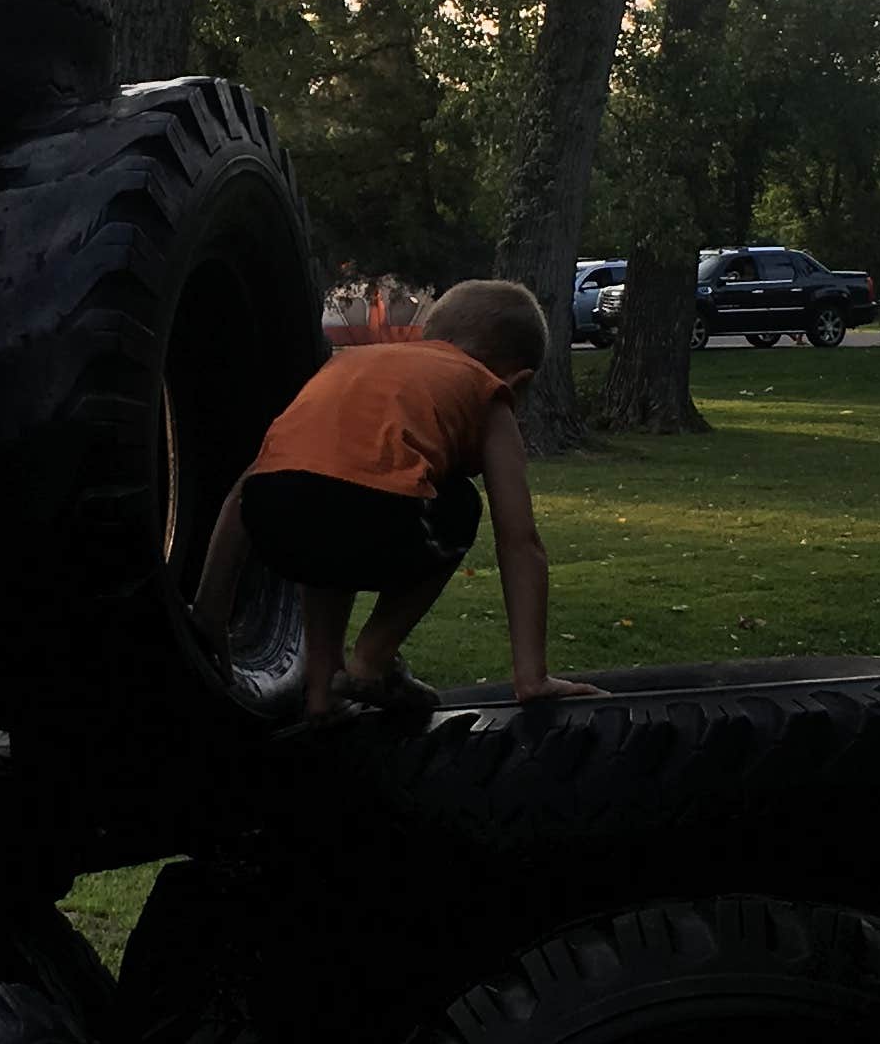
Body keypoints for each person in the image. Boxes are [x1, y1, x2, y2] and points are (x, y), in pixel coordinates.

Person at [193, 277, 606, 724]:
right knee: (459, 506)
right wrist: (532, 677)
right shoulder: (486, 388)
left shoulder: (349, 365)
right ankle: (373, 658)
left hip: (271, 513)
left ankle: (321, 689)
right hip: (372, 513)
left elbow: (246, 489)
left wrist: (211, 611)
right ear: (519, 381)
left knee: (326, 502)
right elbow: (518, 540)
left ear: (430, 334)